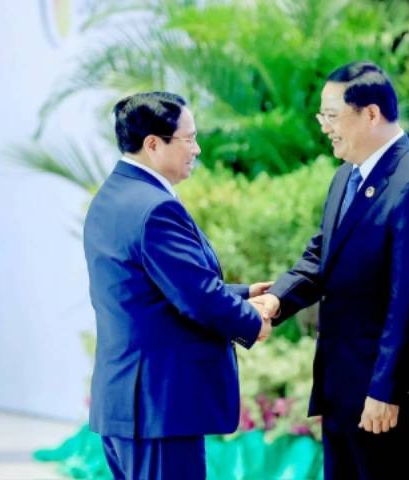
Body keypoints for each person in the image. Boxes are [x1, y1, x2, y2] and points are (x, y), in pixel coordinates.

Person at [253, 62, 409, 479]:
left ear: (371, 114)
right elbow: (321, 255)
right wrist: (275, 299)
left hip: (384, 402)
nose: (324, 126)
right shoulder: (347, 176)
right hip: (343, 390)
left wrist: (385, 390)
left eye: (331, 115)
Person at [83, 92, 272, 480]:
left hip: (128, 406)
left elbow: (154, 288)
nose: (197, 149)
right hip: (160, 410)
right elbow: (197, 297)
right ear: (153, 144)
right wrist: (252, 321)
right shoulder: (155, 208)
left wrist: (243, 292)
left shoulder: (113, 196)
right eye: (188, 139)